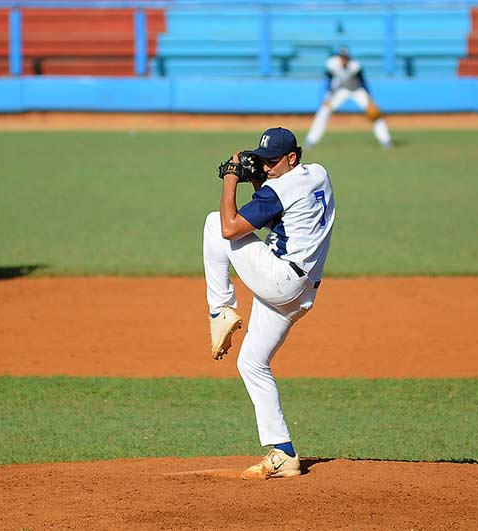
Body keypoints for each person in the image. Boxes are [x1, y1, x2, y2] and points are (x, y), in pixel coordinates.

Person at [204, 127, 336, 480]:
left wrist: (231, 179)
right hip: (301, 293)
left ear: (292, 158)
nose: (266, 167)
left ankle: (220, 310)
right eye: (262, 161)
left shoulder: (281, 187)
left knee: (215, 224)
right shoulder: (319, 174)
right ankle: (284, 453)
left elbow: (233, 228)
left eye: (273, 161)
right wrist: (259, 182)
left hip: (280, 280)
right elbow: (278, 210)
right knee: (252, 362)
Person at [305, 46, 394, 149]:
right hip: (340, 90)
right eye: (342, 57)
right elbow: (329, 81)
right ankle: (311, 140)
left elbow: (363, 82)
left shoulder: (355, 65)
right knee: (324, 111)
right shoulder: (332, 64)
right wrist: (327, 97)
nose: (344, 59)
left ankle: (386, 140)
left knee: (374, 113)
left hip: (356, 90)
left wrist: (370, 99)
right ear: (338, 56)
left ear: (349, 57)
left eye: (345, 57)